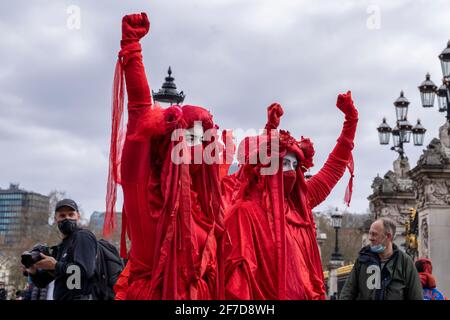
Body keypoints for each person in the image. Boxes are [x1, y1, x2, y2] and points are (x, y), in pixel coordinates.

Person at [104, 12, 226, 299]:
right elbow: (138, 109)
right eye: (186, 137)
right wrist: (132, 50)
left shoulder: (205, 206)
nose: (195, 149)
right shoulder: (140, 183)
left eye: (200, 140)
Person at [223, 90, 358, 299]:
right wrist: (269, 133)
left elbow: (332, 169)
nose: (290, 171)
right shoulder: (244, 213)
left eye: (295, 165)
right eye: (284, 163)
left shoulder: (299, 204)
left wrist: (351, 123)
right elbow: (237, 287)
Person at [25, 199, 98, 300]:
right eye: (62, 216)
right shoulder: (61, 247)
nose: (67, 218)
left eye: (71, 214)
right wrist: (32, 271)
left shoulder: (82, 237)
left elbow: (85, 271)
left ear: (78, 216)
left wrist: (55, 265)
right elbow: (42, 282)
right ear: (56, 219)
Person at [340, 218, 423, 300]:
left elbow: (416, 296)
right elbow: (347, 292)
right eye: (369, 233)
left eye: (374, 234)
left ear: (388, 236)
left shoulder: (405, 262)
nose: (370, 238)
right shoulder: (363, 260)